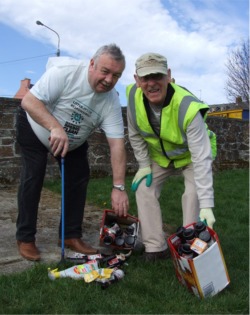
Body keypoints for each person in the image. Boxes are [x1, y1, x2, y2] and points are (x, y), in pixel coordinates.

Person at [16, 44, 129, 261]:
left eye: (116, 75)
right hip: (35, 126)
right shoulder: (65, 72)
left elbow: (117, 145)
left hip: (72, 141)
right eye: (105, 71)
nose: (109, 80)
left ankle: (69, 235)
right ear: (92, 64)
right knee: (34, 174)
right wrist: (55, 127)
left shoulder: (111, 100)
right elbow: (28, 101)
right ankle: (25, 237)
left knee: (78, 177)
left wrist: (119, 187)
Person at [126, 52, 216, 262]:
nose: (151, 84)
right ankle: (155, 247)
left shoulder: (188, 107)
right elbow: (135, 133)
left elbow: (201, 159)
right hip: (162, 159)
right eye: (145, 78)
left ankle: (191, 246)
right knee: (143, 188)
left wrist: (207, 204)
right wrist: (143, 165)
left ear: (168, 76)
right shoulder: (132, 97)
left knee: (193, 194)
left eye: (157, 76)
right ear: (137, 80)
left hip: (192, 157)